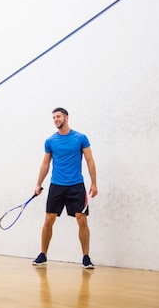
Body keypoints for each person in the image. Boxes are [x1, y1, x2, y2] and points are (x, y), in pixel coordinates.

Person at [32, 107, 98, 269]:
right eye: (54, 117)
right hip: (56, 186)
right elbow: (45, 164)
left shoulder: (80, 138)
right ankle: (43, 254)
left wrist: (94, 183)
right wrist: (38, 184)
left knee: (81, 219)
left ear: (66, 118)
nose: (56, 120)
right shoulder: (50, 141)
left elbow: (90, 160)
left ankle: (86, 257)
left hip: (76, 186)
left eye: (58, 116)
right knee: (49, 219)